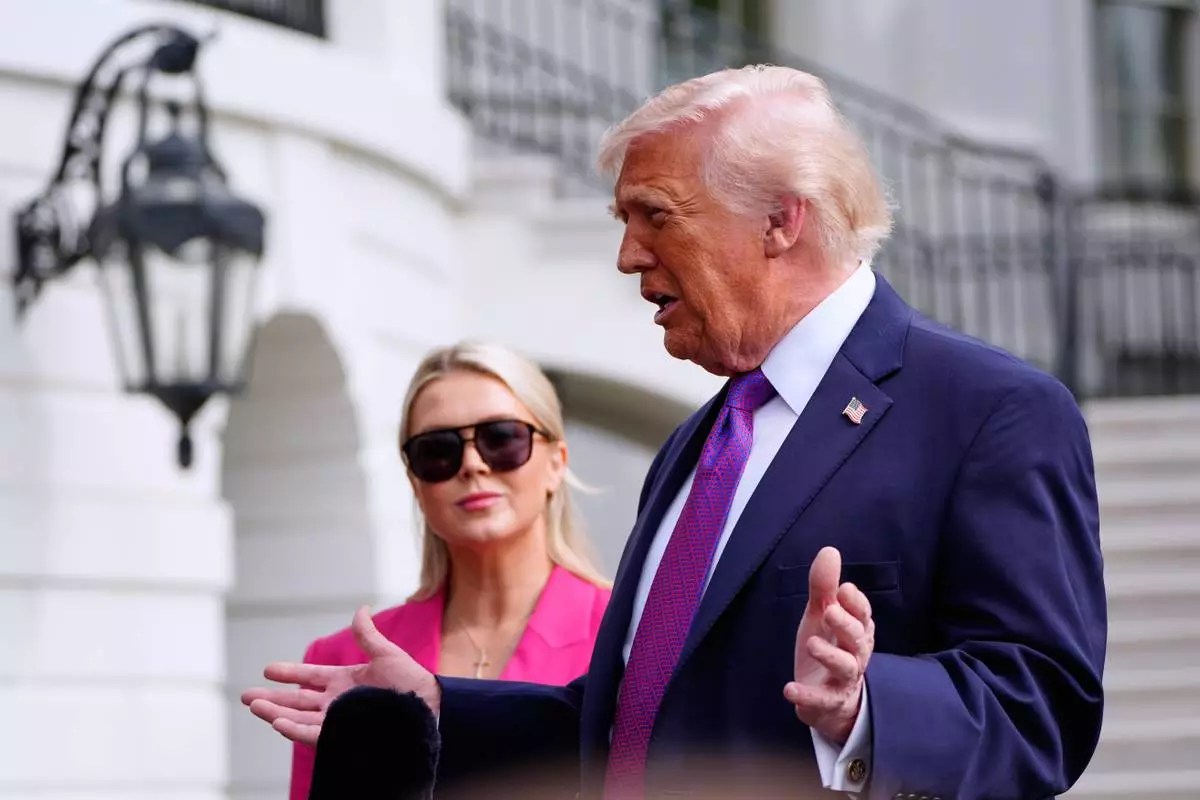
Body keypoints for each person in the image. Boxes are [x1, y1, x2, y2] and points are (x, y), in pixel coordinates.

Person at [244, 65, 1106, 800]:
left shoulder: (990, 412)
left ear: (781, 220)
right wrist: (441, 708)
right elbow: (631, 726)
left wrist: (866, 705)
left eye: (654, 215)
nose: (627, 255)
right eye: (624, 221)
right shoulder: (702, 442)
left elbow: (1043, 707)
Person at [286, 341, 612, 800]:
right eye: (438, 450)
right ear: (415, 482)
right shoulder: (341, 659)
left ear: (556, 461)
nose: (473, 465)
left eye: (502, 438)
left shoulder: (634, 638)